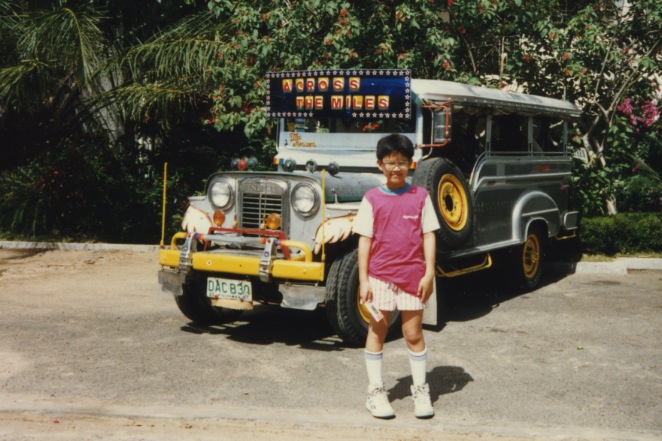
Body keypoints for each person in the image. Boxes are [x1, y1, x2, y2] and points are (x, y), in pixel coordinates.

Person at [353, 133, 441, 419]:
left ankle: (420, 391)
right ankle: (376, 392)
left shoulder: (421, 197)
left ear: (411, 164)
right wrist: (364, 280)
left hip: (414, 278)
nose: (396, 168)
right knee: (377, 330)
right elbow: (364, 241)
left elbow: (429, 236)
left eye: (402, 162)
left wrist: (429, 273)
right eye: (390, 163)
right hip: (379, 278)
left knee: (413, 334)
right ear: (380, 164)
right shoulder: (371, 199)